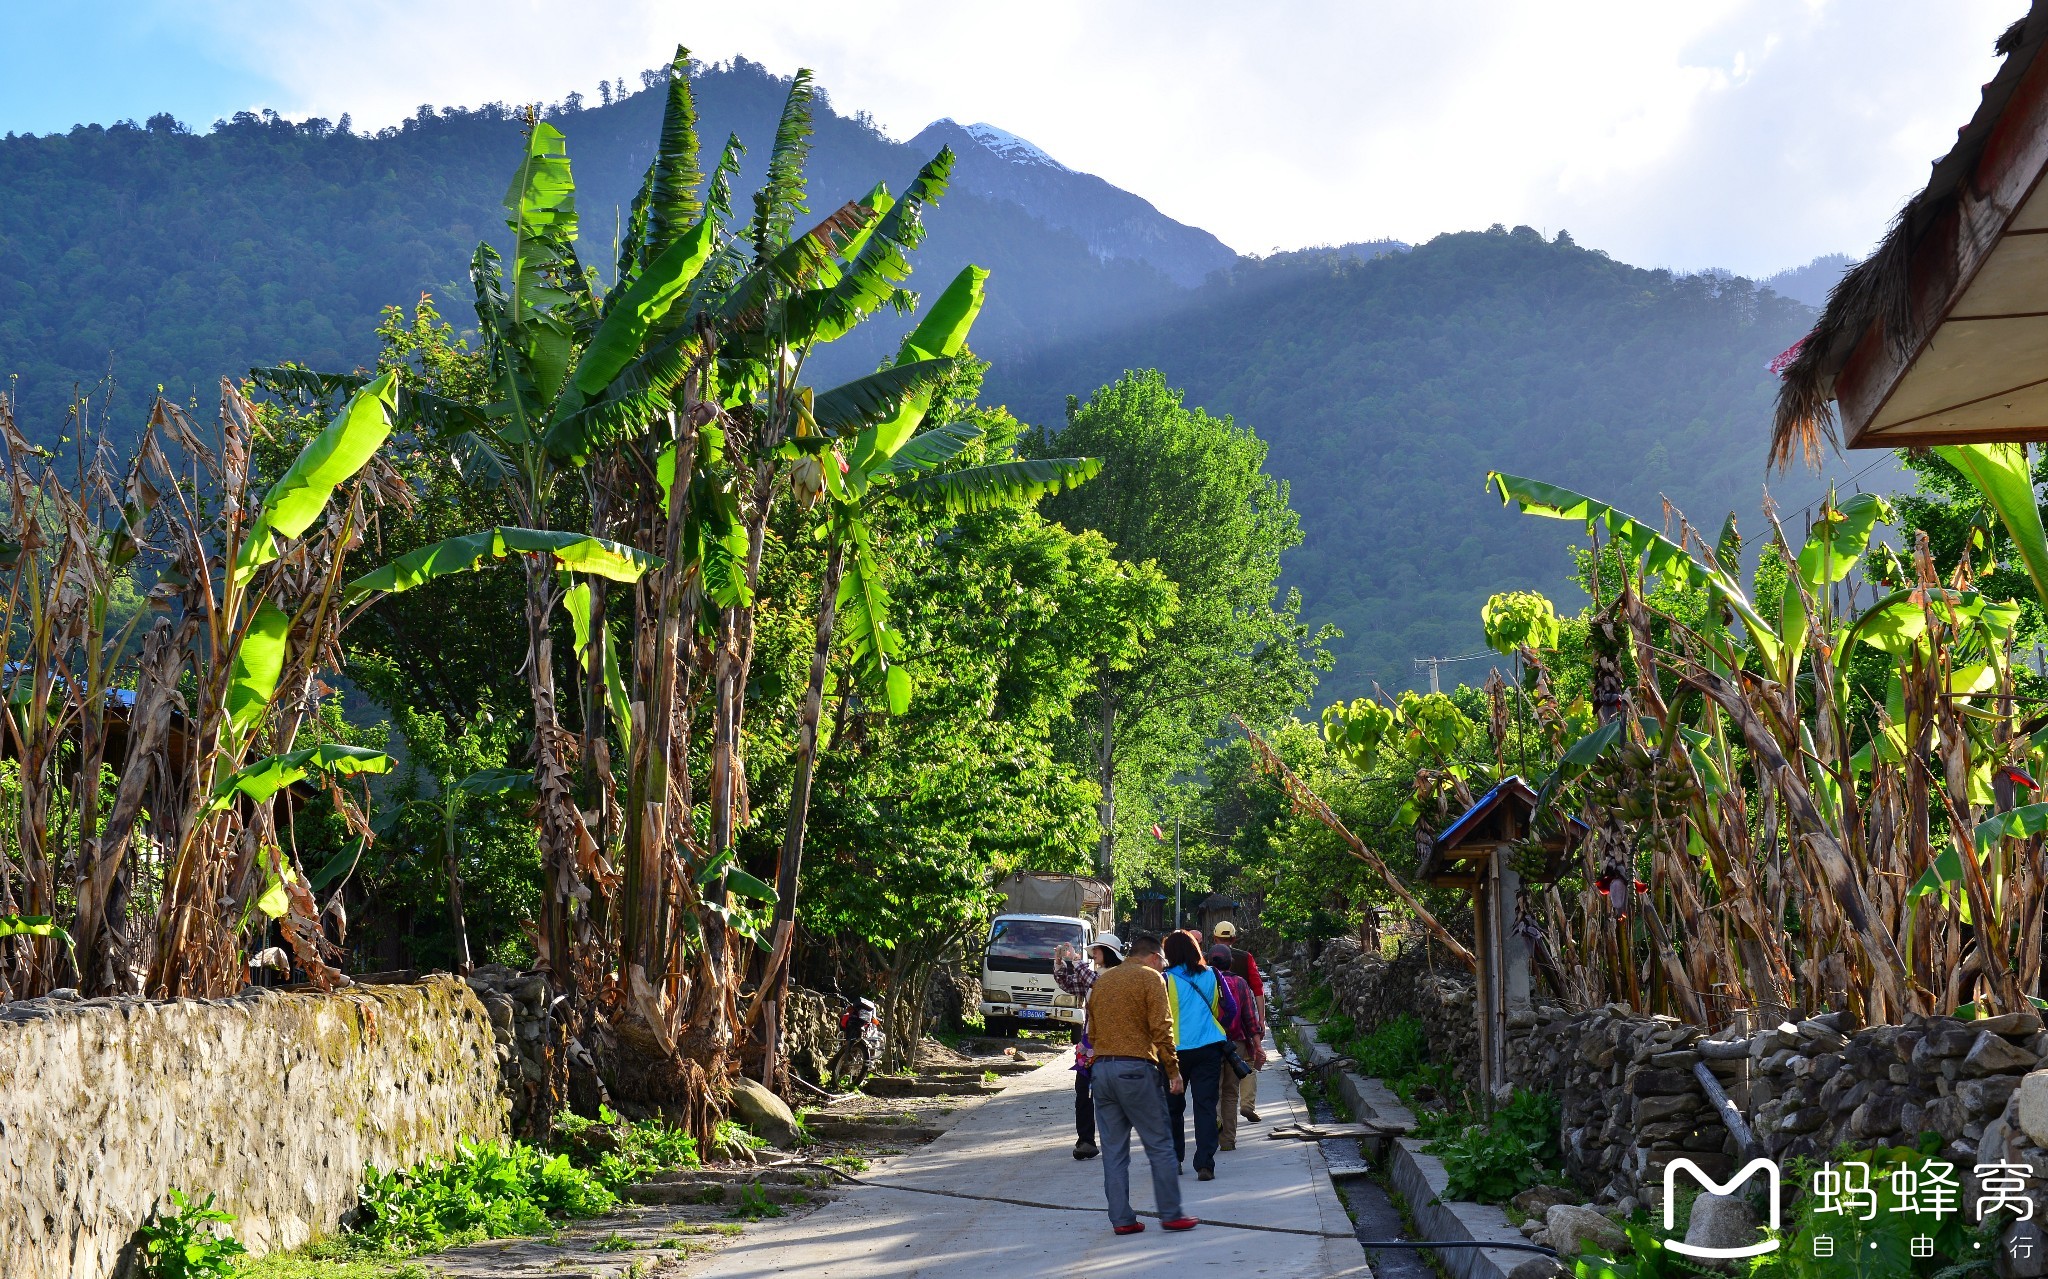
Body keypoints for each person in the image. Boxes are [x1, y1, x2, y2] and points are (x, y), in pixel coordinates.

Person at [1085, 932, 1199, 1235]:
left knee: (1113, 1151)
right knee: (1160, 1144)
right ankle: (1172, 1214)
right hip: (1136, 1070)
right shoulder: (1150, 978)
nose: (1163, 967)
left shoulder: (1102, 981)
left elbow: (1092, 1032)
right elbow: (1162, 1028)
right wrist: (1173, 1071)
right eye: (1162, 961)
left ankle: (1122, 1220)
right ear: (1152, 957)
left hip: (1102, 1072)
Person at [1160, 929, 1237, 1181]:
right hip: (1208, 1049)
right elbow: (1231, 1008)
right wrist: (1213, 1025)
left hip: (1175, 1052)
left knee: (1173, 1108)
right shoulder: (1213, 974)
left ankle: (1174, 1160)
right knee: (1205, 1106)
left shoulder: (1164, 979)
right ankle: (1205, 1164)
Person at [1053, 933, 1123, 1160]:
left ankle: (1113, 1140)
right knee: (1083, 1092)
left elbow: (1096, 983)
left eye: (1098, 950)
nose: (1094, 954)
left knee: (1110, 1096)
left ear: (1108, 953)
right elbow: (1072, 985)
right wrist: (1060, 965)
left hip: (1113, 1045)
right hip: (1090, 1045)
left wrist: (1076, 961)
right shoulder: (1095, 975)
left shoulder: (1117, 978)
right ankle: (1086, 1140)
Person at [1208, 943, 1265, 1150]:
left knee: (1213, 1091)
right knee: (1231, 1094)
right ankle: (1228, 1141)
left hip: (1210, 1044)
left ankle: (1214, 1129)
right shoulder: (1240, 983)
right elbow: (1250, 1019)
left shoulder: (1205, 981)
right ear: (1231, 962)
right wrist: (1257, 1045)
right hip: (1236, 1045)